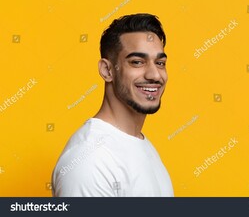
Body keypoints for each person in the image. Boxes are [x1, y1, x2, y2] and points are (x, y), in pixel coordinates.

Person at [52, 13, 174, 197]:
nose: (155, 75)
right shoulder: (90, 160)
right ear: (107, 70)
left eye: (160, 63)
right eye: (137, 62)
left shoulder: (141, 144)